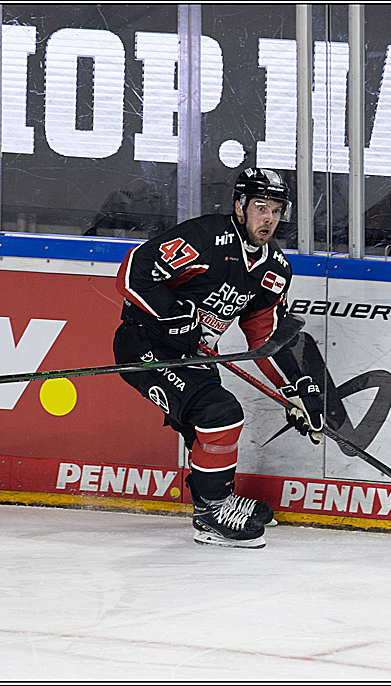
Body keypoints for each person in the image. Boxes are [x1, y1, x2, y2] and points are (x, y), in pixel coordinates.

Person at [113, 168, 325, 549]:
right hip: (146, 346)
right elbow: (134, 272)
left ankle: (216, 499)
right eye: (261, 207)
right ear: (240, 206)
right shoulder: (205, 238)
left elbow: (263, 338)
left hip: (194, 356)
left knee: (208, 425)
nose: (269, 219)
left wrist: (296, 388)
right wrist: (174, 316)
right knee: (219, 414)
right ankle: (212, 512)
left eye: (277, 210)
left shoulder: (274, 269)